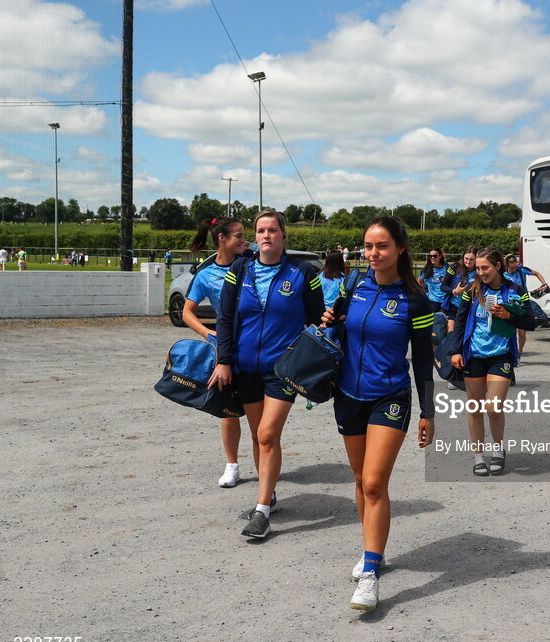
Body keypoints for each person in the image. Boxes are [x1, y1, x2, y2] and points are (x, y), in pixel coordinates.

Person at [321, 215, 435, 612]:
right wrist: (329, 321)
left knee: (373, 482)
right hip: (348, 395)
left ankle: (370, 574)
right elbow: (334, 328)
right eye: (368, 246)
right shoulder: (353, 287)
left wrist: (428, 410)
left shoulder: (416, 300)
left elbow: (422, 360)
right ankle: (374, 549)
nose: (373, 254)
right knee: (358, 478)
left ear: (400, 248)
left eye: (381, 246)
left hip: (390, 397)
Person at [209, 210, 325, 539]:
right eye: (261, 230)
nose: (266, 235)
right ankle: (268, 492)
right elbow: (224, 318)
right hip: (244, 367)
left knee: (268, 435)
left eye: (273, 230)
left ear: (283, 236)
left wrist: (310, 361)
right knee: (258, 434)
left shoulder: (302, 273)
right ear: (255, 236)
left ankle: (261, 512)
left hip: (281, 370)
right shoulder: (239, 269)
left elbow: (316, 320)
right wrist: (224, 360)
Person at [445, 247, 535, 476]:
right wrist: (456, 351)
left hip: (500, 355)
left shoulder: (515, 289)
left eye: (485, 267)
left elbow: (532, 321)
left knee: (494, 406)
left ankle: (498, 450)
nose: (481, 272)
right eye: (477, 268)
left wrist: (510, 316)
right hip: (473, 356)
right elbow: (460, 320)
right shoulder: (472, 290)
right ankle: (478, 456)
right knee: (474, 407)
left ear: (498, 266)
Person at [185, 217, 252, 488]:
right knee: (228, 410)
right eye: (238, 235)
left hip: (254, 344)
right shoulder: (205, 274)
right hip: (224, 349)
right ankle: (232, 465)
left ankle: (266, 465)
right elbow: (186, 312)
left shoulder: (251, 264)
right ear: (222, 238)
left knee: (259, 412)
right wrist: (206, 332)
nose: (243, 240)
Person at [503, 254, 548, 355]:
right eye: (512, 267)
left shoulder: (521, 270)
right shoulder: (503, 273)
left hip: (523, 303)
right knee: (508, 330)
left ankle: (519, 351)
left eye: (515, 266)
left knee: (522, 332)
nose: (514, 269)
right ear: (507, 265)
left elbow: (537, 273)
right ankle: (509, 351)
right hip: (509, 304)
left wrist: (544, 284)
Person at [442, 246, 478, 335]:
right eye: (466, 258)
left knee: (464, 337)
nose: (468, 262)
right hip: (453, 307)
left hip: (469, 309)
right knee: (451, 337)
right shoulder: (455, 267)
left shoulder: (479, 271)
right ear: (463, 257)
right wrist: (454, 291)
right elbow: (443, 286)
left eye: (471, 259)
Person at [419, 247, 450, 314]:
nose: (432, 258)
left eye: (435, 256)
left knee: (443, 322)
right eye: (430, 256)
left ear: (440, 256)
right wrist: (423, 293)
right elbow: (419, 281)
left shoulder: (447, 268)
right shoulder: (427, 270)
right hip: (432, 302)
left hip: (445, 302)